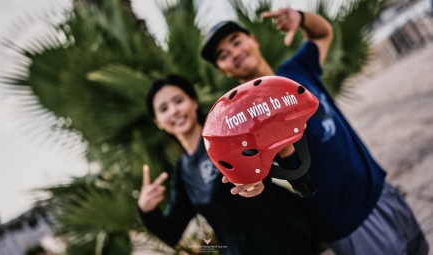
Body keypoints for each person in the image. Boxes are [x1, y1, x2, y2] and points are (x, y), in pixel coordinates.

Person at [200, 7, 429, 255]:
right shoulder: (244, 120)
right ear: (222, 70)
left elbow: (322, 33)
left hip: (379, 188)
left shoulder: (296, 70)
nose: (233, 53)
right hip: (349, 221)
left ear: (252, 40)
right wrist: (252, 182)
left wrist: (302, 18)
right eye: (223, 55)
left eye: (236, 41)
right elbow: (262, 174)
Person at [137, 74, 323, 255]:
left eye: (178, 101)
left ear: (193, 102)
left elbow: (268, 170)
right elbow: (172, 232)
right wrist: (146, 211)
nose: (174, 111)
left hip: (287, 242)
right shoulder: (182, 171)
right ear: (158, 122)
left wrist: (261, 183)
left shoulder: (230, 133)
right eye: (163, 109)